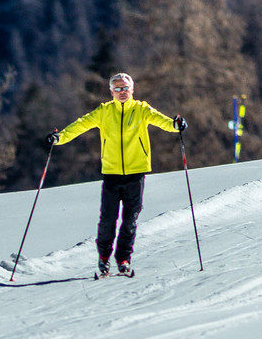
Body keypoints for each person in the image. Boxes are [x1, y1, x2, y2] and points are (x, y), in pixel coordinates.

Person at [50, 74, 185, 277]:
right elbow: (80, 124)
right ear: (111, 92)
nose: (122, 92)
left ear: (132, 90)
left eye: (125, 88)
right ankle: (104, 258)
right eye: (117, 89)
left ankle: (123, 259)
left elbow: (163, 122)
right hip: (112, 173)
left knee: (130, 220)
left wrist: (176, 125)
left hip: (136, 172)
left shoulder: (141, 109)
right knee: (108, 219)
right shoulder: (104, 112)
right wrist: (59, 138)